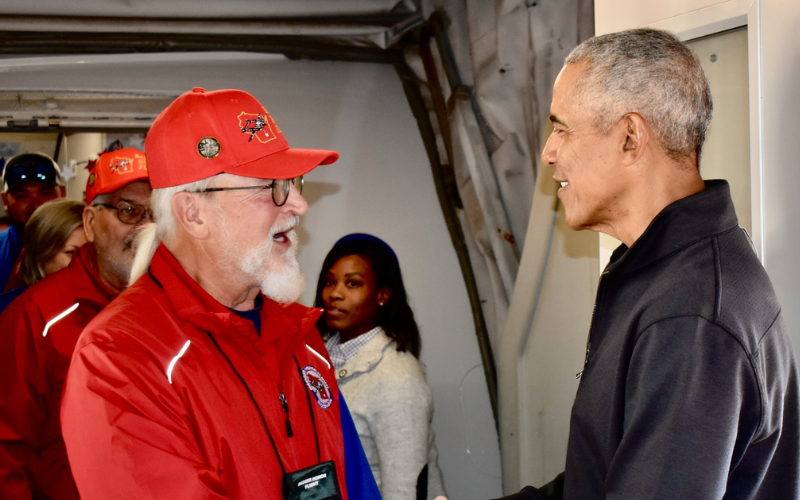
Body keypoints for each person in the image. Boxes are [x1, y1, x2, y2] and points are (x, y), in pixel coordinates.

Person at [498, 28, 800, 500]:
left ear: (630, 138)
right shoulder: (662, 273)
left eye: (561, 129)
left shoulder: (690, 315)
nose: (548, 153)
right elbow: (596, 482)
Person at [60, 87, 380, 500]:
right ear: (193, 213)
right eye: (271, 186)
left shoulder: (299, 334)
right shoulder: (119, 359)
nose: (298, 204)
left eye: (293, 182)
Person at [0, 147, 151, 500]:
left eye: (156, 214)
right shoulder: (35, 316)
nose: (145, 227)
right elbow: (6, 450)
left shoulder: (170, 311)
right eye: (128, 210)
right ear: (89, 223)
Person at [315, 233, 447, 500]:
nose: (335, 294)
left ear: (382, 296)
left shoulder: (397, 378)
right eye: (330, 282)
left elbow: (405, 489)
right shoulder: (313, 358)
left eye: (352, 284)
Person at [0, 198, 86, 313]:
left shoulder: (103, 305)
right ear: (41, 255)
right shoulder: (13, 313)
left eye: (91, 251)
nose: (86, 260)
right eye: (71, 252)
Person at [0, 152, 65, 291]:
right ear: (5, 200)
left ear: (63, 193)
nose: (36, 205)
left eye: (46, 193)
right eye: (22, 196)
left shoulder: (86, 249)